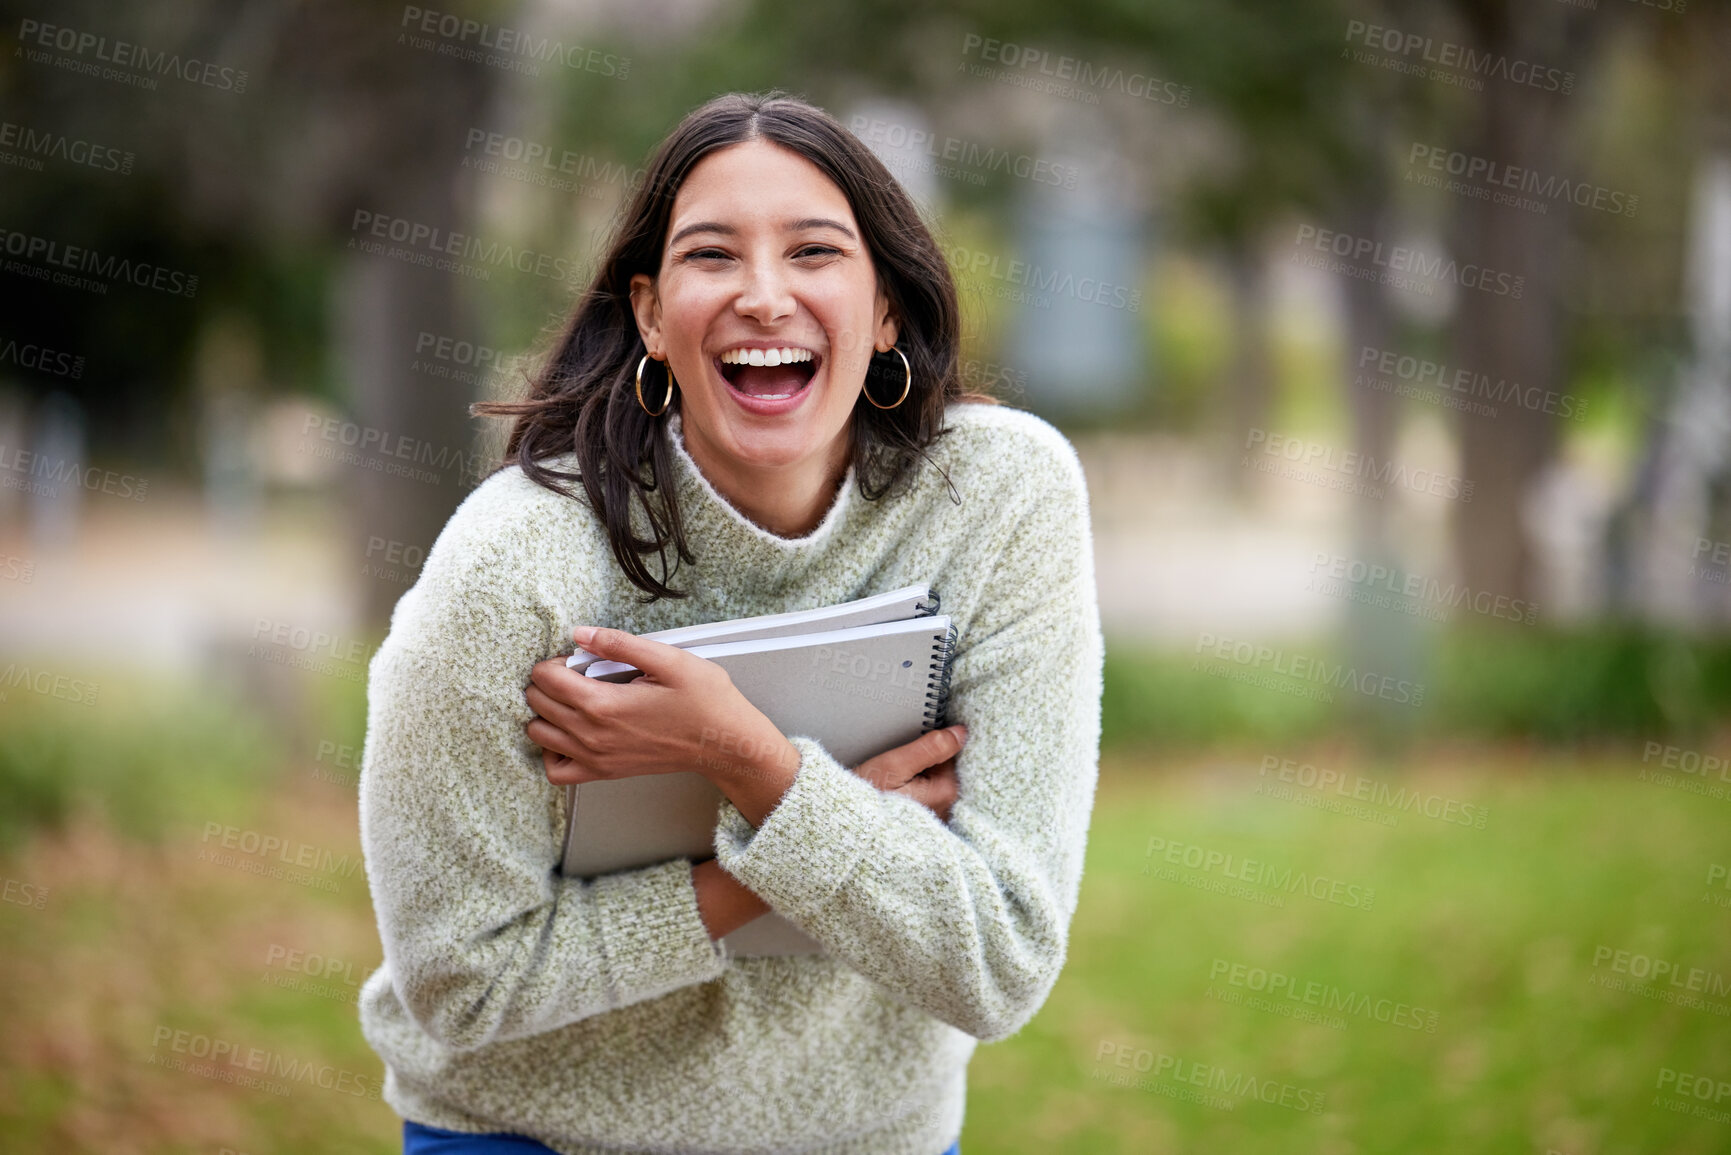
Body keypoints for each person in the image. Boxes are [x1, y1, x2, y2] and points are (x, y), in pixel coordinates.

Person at [357, 89, 1104, 1155]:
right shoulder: (514, 564)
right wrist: (793, 839)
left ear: (886, 305)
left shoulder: (1000, 498)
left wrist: (743, 757)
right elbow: (462, 986)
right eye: (714, 256)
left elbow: (999, 963)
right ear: (652, 314)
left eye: (814, 252)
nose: (765, 296)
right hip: (533, 1137)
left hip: (871, 1137)